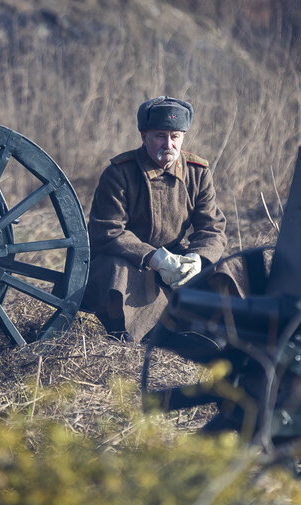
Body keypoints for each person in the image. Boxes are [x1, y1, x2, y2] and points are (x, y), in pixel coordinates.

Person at [82, 96, 241, 342]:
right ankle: (128, 331)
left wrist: (196, 259)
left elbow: (212, 228)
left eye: (175, 136)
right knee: (116, 273)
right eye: (160, 136)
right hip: (133, 260)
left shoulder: (198, 172)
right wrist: (154, 258)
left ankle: (218, 329)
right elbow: (108, 230)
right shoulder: (119, 172)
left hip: (179, 260)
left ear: (183, 137)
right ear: (143, 137)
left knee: (228, 267)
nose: (169, 144)